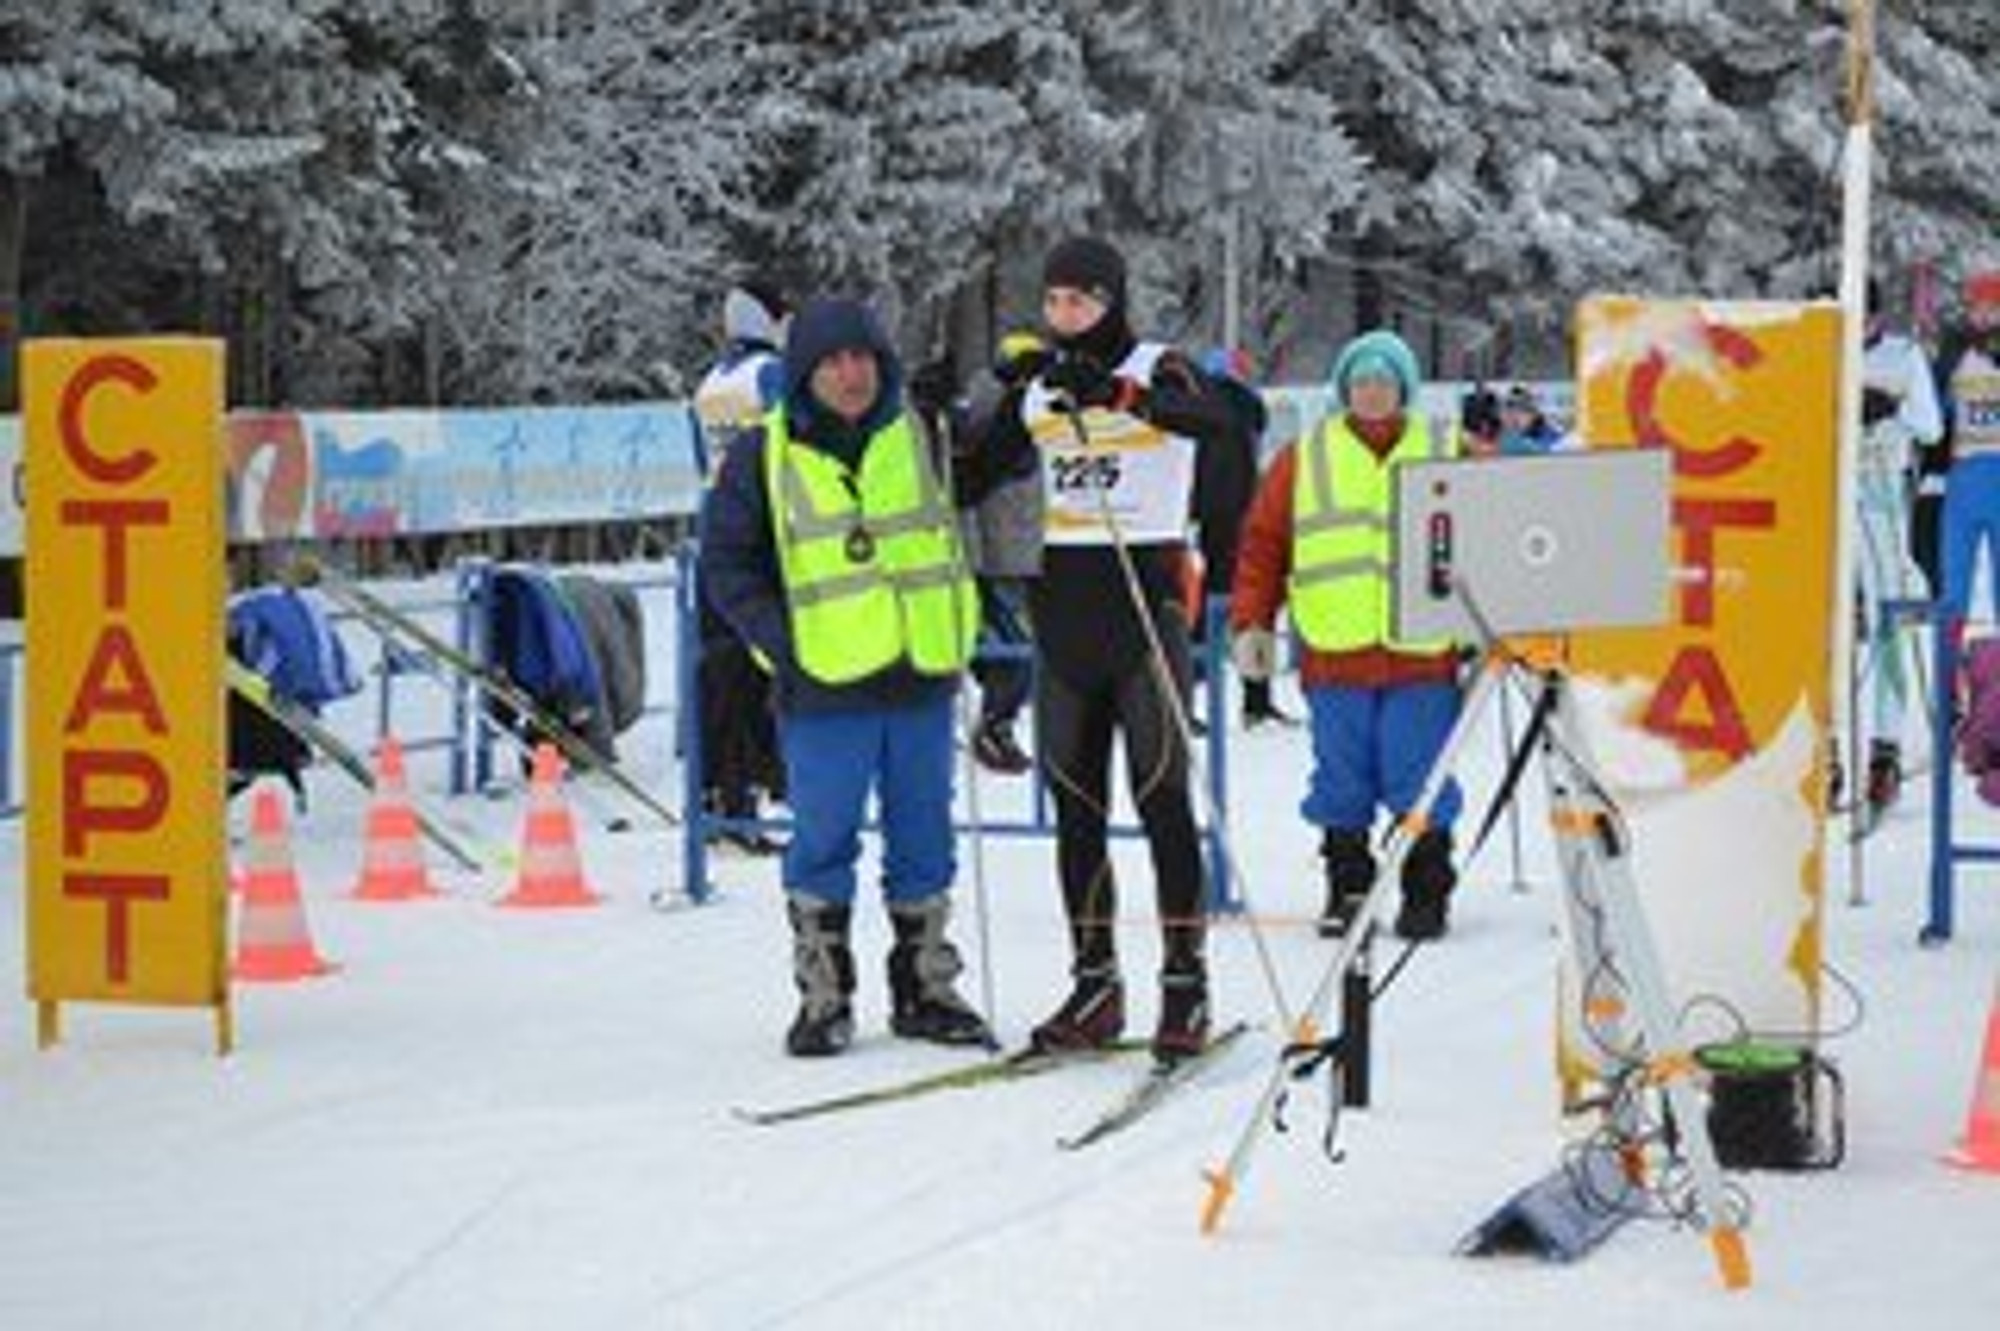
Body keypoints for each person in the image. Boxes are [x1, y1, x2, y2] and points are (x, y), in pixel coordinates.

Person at [974, 235, 1248, 1064]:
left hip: (1147, 604)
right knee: (1077, 812)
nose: (1066, 317)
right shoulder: (1044, 386)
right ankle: (1094, 986)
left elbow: (1223, 427)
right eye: (1054, 302)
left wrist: (1121, 393)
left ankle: (1184, 987)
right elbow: (973, 473)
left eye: (1082, 302)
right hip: (1067, 611)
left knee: (1163, 799)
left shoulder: (1160, 366)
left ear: (1113, 300)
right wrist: (950, 411)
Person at [700, 295, 993, 1057]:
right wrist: (781, 641)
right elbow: (728, 566)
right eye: (832, 360)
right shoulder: (761, 455)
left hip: (920, 673)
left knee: (924, 836)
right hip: (825, 684)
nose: (851, 372)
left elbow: (993, 477)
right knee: (823, 839)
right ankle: (824, 994)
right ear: (804, 371)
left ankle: (926, 983)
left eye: (863, 356)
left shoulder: (920, 433)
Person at [1228, 329, 1464, 941]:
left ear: (1405, 389)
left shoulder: (1449, 448)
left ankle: (1426, 885)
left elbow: (1497, 532)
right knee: (1341, 778)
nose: (1373, 391)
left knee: (1421, 776)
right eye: (1361, 380)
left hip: (1423, 655)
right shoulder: (1303, 457)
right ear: (1343, 389)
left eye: (1385, 380)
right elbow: (1263, 545)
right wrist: (1253, 621)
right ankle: (1348, 885)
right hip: (1335, 653)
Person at [911, 332, 1047, 775]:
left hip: (1007, 545)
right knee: (1008, 649)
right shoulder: (996, 401)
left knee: (1012, 650)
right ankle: (991, 726)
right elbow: (970, 469)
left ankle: (995, 724)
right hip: (988, 550)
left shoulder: (1014, 401)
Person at [693, 281, 791, 855]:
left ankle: (717, 797)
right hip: (760, 541)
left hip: (715, 533)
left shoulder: (709, 382)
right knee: (754, 678)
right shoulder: (769, 376)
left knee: (718, 676)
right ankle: (743, 802)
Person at [1853, 277, 1943, 817]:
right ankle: (1831, 746)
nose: (1856, 328)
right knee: (1828, 622)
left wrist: (1887, 410)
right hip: (1830, 495)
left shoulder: (1902, 355)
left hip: (1883, 499)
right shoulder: (1821, 349)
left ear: (1878, 316)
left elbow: (1930, 429)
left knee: (1888, 620)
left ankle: (1884, 749)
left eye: (1863, 319)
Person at [1197, 346, 1295, 729]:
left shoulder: (1197, 406)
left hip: (1209, 517)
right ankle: (1256, 698)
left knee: (1206, 610)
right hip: (1246, 516)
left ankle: (1186, 691)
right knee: (1254, 614)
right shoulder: (1245, 407)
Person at [1495, 383, 1568, 455]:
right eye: (1510, 412)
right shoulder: (1507, 436)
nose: (1515, 417)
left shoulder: (1553, 439)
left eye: (1521, 411)